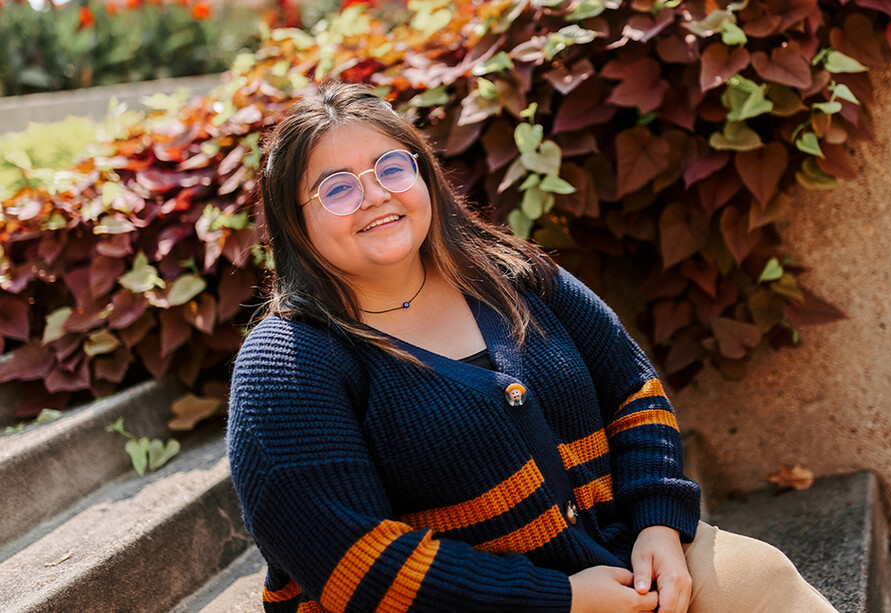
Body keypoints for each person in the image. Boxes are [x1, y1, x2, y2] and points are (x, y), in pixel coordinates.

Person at [226, 81, 839, 613]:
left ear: (423, 176)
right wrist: (563, 601)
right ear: (295, 221)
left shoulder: (511, 274)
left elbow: (632, 390)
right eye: (337, 189)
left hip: (622, 559)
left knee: (761, 580)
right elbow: (353, 563)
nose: (377, 195)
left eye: (391, 168)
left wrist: (658, 523)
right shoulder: (287, 364)